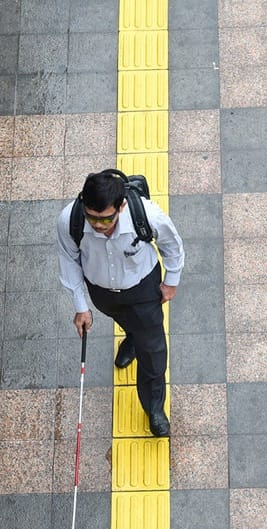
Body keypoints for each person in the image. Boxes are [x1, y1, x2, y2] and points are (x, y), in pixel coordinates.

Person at [57, 170, 184, 437]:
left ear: (121, 205)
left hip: (143, 291)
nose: (98, 225)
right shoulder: (70, 219)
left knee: (153, 350)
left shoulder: (147, 215)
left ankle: (154, 408)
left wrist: (171, 281)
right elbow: (69, 260)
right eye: (92, 217)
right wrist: (81, 306)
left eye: (105, 219)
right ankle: (132, 339)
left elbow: (172, 246)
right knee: (129, 326)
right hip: (102, 292)